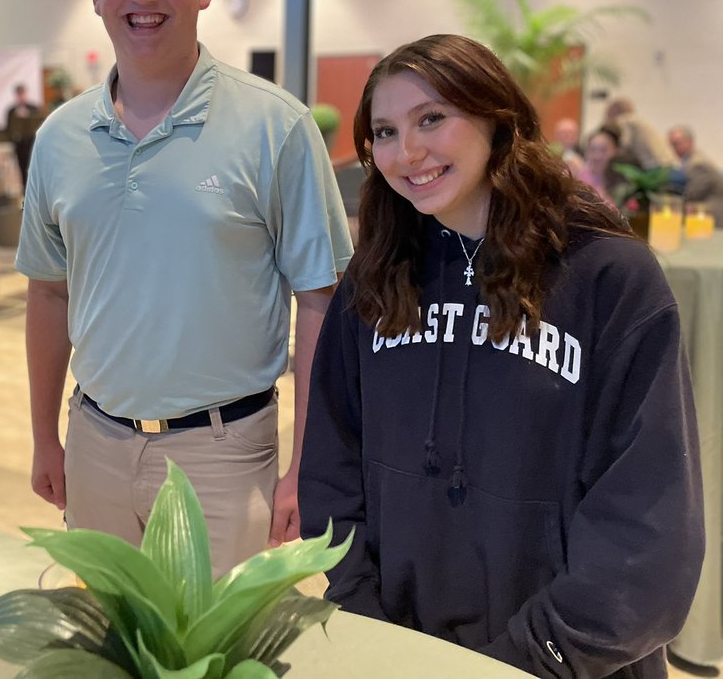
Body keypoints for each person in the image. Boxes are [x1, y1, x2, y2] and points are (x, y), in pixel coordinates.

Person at [299, 34, 703, 678]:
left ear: (496, 117)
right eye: (386, 131)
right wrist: (362, 615)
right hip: (401, 650)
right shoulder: (374, 280)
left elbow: (646, 517)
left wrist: (531, 656)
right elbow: (332, 462)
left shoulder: (608, 276)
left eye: (432, 118)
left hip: (560, 664)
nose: (410, 152)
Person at [16, 0, 353, 575]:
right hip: (94, 442)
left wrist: (305, 464)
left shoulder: (275, 126)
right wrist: (45, 439)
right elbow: (48, 295)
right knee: (115, 645)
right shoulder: (58, 139)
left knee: (218, 657)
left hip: (224, 455)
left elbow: (318, 300)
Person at [605, 97, 677, 170]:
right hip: (671, 166)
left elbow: (623, 145)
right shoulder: (639, 122)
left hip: (658, 170)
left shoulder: (624, 120)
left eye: (607, 114)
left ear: (612, 111)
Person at [668, 124, 723, 221]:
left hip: (710, 215)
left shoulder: (698, 164)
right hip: (700, 211)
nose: (672, 148)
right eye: (670, 144)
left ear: (689, 142)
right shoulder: (688, 160)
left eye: (676, 144)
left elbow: (691, 195)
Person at [3, 83, 43, 187]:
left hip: (32, 143)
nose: (21, 97)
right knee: (22, 168)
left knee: (33, 168)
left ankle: (34, 191)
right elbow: (8, 128)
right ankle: (24, 191)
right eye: (19, 94)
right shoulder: (11, 110)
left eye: (23, 94)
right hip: (19, 143)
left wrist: (27, 115)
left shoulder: (33, 108)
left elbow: (39, 124)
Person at [576, 126, 624, 209]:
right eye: (592, 150)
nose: (597, 156)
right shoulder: (578, 179)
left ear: (617, 151)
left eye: (603, 150)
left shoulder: (623, 182)